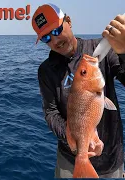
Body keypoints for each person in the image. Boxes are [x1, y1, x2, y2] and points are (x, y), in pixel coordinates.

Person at [32, 3, 125, 178]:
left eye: (57, 30)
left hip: (111, 161)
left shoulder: (100, 51)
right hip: (69, 161)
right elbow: (51, 113)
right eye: (46, 38)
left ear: (69, 21)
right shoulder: (46, 70)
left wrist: (124, 52)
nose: (55, 40)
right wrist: (73, 140)